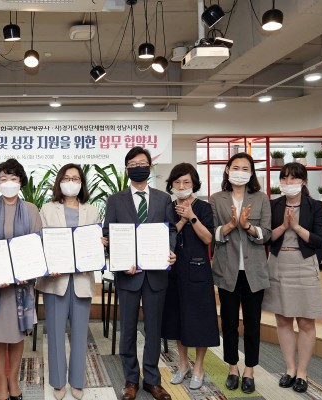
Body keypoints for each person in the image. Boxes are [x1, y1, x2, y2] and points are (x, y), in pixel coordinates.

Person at [102, 147, 177, 400]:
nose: (138, 167)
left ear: (150, 167)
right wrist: (120, 259)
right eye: (133, 164)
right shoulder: (115, 200)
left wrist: (170, 251)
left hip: (156, 274)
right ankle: (131, 380)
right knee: (128, 329)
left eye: (142, 163)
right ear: (127, 170)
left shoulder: (163, 199)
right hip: (128, 275)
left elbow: (171, 230)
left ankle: (152, 381)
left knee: (153, 329)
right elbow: (108, 234)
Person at [36, 164, 107, 400]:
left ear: (82, 183)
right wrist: (48, 263)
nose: (71, 182)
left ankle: (77, 381)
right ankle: (58, 382)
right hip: (55, 280)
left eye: (76, 178)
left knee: (80, 334)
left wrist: (100, 245)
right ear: (59, 182)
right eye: (67, 178)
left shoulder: (92, 211)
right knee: (55, 333)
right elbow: (41, 242)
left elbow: (94, 244)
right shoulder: (47, 209)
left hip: (82, 280)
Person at [0, 158, 43, 400]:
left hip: (21, 288)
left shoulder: (32, 210)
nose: (9, 183)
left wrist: (21, 274)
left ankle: (13, 381)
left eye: (13, 178)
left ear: (21, 182)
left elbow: (37, 245)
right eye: (4, 179)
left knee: (16, 336)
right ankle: (1, 384)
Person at [262, 162, 322, 393]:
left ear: (303, 181)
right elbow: (266, 238)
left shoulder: (314, 206)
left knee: (306, 321)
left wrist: (297, 227)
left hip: (304, 264)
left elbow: (320, 240)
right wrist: (283, 226)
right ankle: (289, 369)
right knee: (282, 319)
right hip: (279, 263)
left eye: (293, 178)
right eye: (284, 178)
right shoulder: (273, 205)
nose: (288, 183)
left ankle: (302, 372)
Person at [210, 153, 271, 394]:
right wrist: (230, 226)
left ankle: (250, 370)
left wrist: (247, 227)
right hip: (227, 270)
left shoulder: (261, 198)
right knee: (229, 322)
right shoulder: (217, 199)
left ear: (251, 172)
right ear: (227, 170)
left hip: (254, 271)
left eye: (245, 168)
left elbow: (266, 234)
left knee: (253, 323)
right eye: (236, 167)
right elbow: (212, 235)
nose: (240, 172)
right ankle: (233, 368)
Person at [161, 163, 219, 390]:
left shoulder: (203, 207)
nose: (182, 185)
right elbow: (167, 234)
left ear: (194, 183)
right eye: (177, 182)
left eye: (186, 181)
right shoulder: (168, 207)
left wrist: (192, 216)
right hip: (174, 271)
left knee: (199, 320)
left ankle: (198, 368)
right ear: (171, 185)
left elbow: (208, 238)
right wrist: (183, 219)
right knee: (177, 319)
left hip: (198, 271)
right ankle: (183, 364)